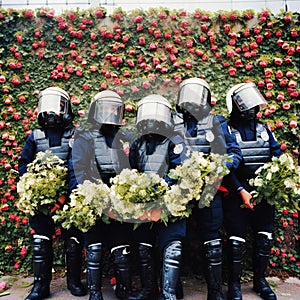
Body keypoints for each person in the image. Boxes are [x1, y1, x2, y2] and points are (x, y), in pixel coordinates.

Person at [174, 77, 242, 300]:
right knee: (175, 238)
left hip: (210, 189)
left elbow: (234, 153)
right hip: (180, 189)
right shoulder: (171, 123)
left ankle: (214, 292)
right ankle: (173, 286)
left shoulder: (217, 122)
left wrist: (219, 169)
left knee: (212, 236)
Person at [18, 87, 86, 300]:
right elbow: (24, 164)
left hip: (68, 198)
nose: (50, 113)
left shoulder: (74, 135)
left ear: (66, 109)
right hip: (41, 201)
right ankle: (40, 286)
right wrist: (35, 192)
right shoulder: (34, 136)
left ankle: (73, 281)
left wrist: (64, 197)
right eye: (46, 108)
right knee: (41, 240)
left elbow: (77, 166)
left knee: (73, 239)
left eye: (56, 108)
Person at [68, 90, 133, 300]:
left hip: (118, 199)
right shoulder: (84, 137)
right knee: (93, 248)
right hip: (93, 198)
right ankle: (95, 293)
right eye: (104, 109)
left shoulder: (125, 137)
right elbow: (77, 169)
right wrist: (86, 196)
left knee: (121, 246)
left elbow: (135, 165)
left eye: (113, 109)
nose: (109, 113)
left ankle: (124, 289)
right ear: (95, 111)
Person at [223, 82, 280, 300]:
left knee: (264, 236)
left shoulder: (265, 129)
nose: (250, 108)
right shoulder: (226, 130)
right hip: (236, 192)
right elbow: (225, 167)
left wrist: (271, 184)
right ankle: (235, 286)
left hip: (263, 192)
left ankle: (260, 281)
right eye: (244, 104)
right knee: (236, 240)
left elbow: (275, 155)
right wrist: (240, 190)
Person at [129, 94, 187, 300]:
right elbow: (132, 171)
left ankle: (170, 293)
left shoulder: (175, 142)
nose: (152, 121)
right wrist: (138, 196)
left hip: (170, 203)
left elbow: (180, 172)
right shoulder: (137, 144)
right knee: (143, 245)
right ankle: (149, 289)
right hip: (144, 204)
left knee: (172, 247)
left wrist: (162, 200)